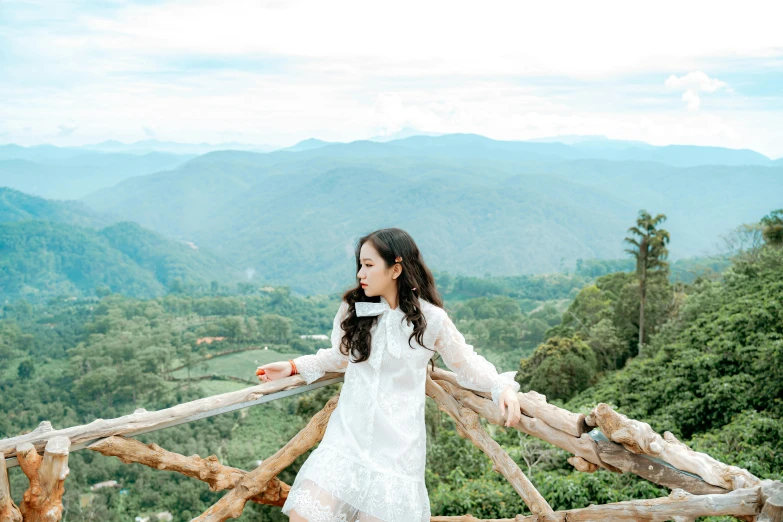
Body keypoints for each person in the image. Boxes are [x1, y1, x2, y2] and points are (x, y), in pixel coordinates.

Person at [256, 228, 522, 522]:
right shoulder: (354, 309)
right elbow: (340, 356)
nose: (360, 273)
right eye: (360, 264)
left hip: (396, 452)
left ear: (396, 268)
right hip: (346, 442)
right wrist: (293, 366)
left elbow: (466, 363)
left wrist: (502, 387)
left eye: (369, 265)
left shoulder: (431, 320)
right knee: (304, 515)